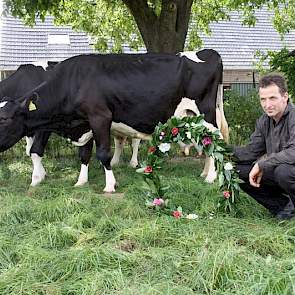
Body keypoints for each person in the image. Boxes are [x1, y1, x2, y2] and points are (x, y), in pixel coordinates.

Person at [233, 74, 295, 220]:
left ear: (285, 96)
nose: (267, 105)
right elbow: (251, 152)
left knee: (283, 171)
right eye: (263, 99)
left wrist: (262, 164)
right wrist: (218, 147)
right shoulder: (264, 121)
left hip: (288, 173)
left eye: (272, 98)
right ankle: (284, 208)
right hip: (281, 173)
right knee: (238, 172)